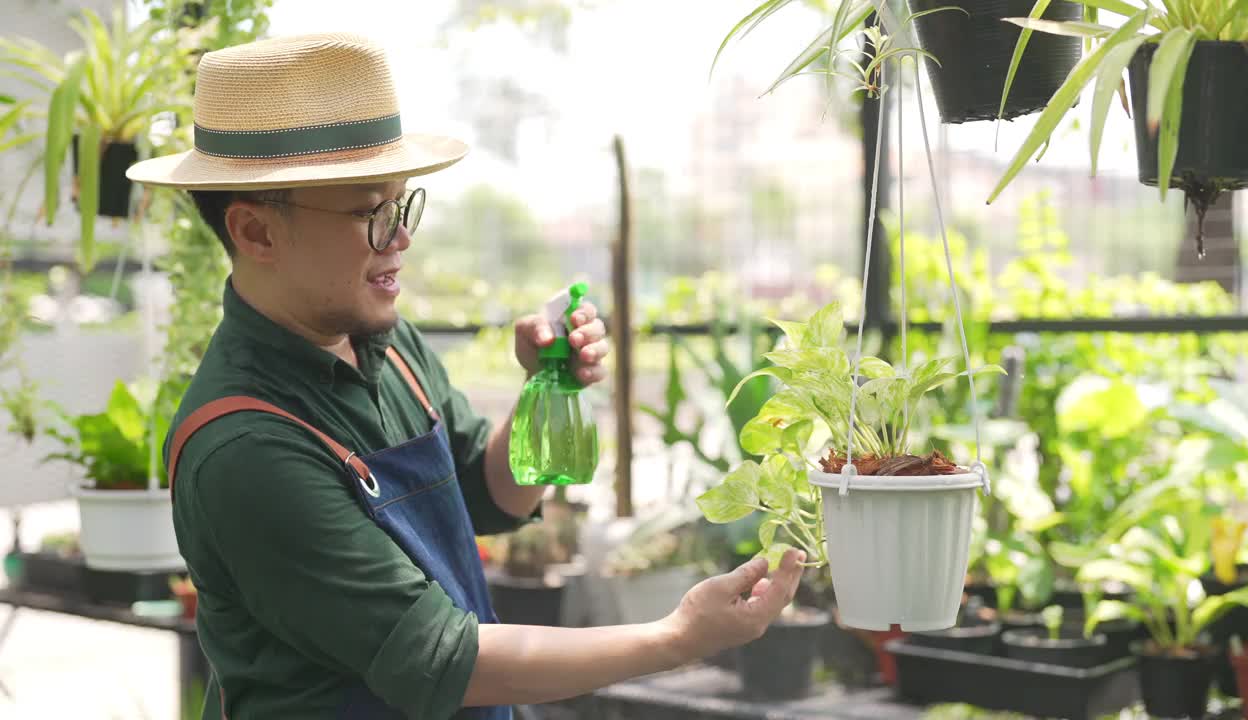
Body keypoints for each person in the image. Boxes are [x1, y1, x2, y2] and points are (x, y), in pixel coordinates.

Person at [126, 32, 805, 720]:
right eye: (370, 213)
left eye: (402, 205)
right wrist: (677, 637)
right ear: (257, 233)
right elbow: (442, 659)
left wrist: (548, 387)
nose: (401, 239)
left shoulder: (384, 344)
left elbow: (489, 495)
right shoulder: (244, 448)